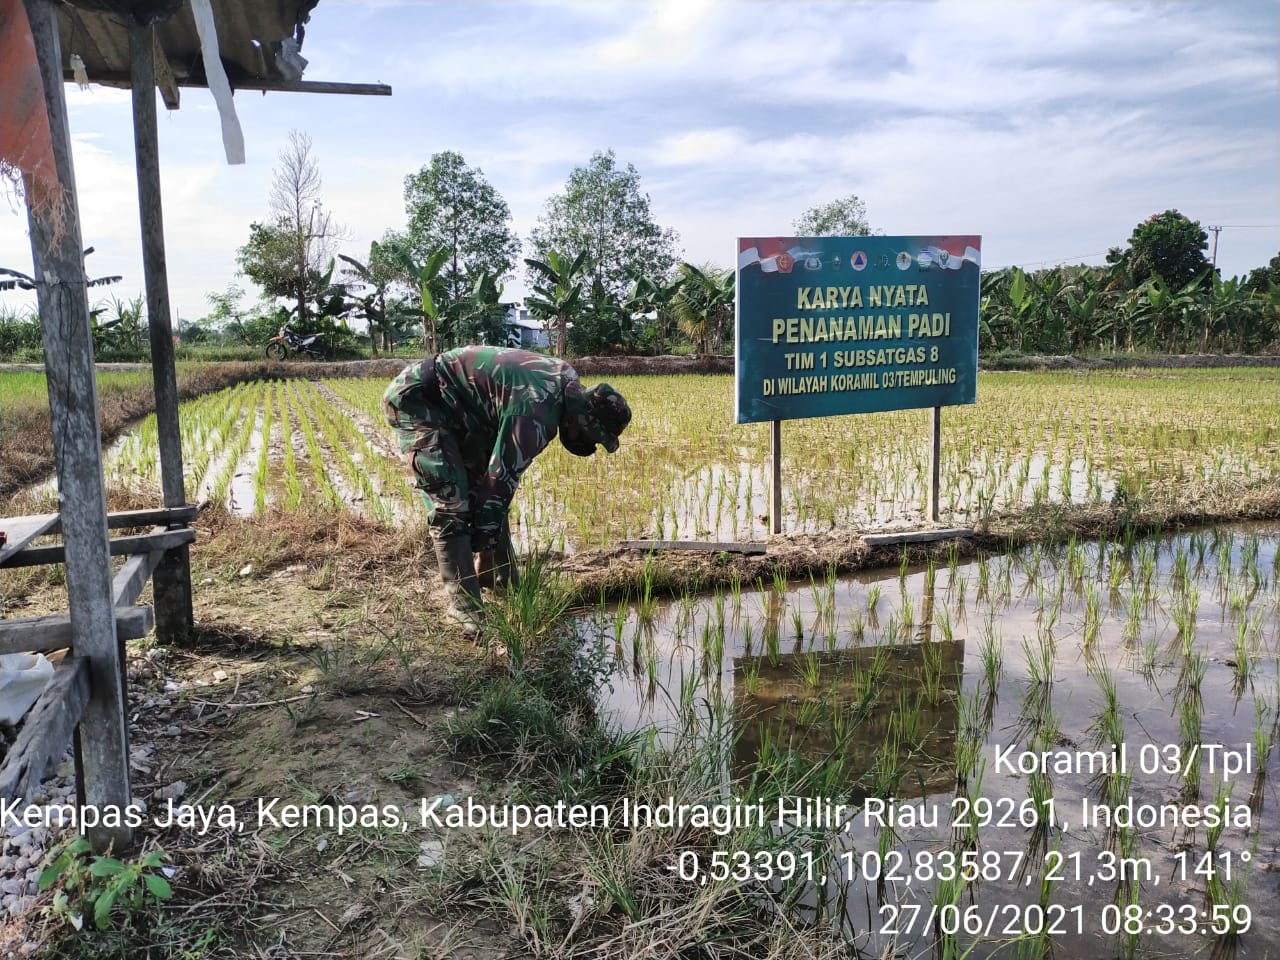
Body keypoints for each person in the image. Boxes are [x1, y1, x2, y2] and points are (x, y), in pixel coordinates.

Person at [382, 345, 631, 637]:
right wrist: (483, 551)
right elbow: (499, 484)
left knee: (484, 493)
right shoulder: (538, 412)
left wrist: (487, 541)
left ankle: (504, 580)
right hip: (421, 400)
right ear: (582, 420)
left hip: (466, 412)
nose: (588, 444)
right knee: (452, 503)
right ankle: (464, 608)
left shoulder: (567, 381)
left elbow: (495, 487)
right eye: (592, 437)